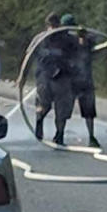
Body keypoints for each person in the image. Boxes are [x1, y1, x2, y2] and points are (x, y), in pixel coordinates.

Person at [33, 13, 75, 145]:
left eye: (56, 25)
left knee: (62, 108)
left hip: (63, 78)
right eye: (52, 25)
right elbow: (30, 56)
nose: (54, 28)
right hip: (44, 77)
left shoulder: (67, 39)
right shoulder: (40, 39)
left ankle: (60, 134)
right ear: (47, 26)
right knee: (44, 104)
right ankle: (39, 122)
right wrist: (22, 77)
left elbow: (79, 53)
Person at [62, 13, 100, 147]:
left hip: (85, 81)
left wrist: (83, 36)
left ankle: (91, 136)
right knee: (65, 109)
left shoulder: (86, 39)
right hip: (71, 81)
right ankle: (59, 133)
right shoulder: (65, 42)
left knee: (89, 110)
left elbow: (94, 43)